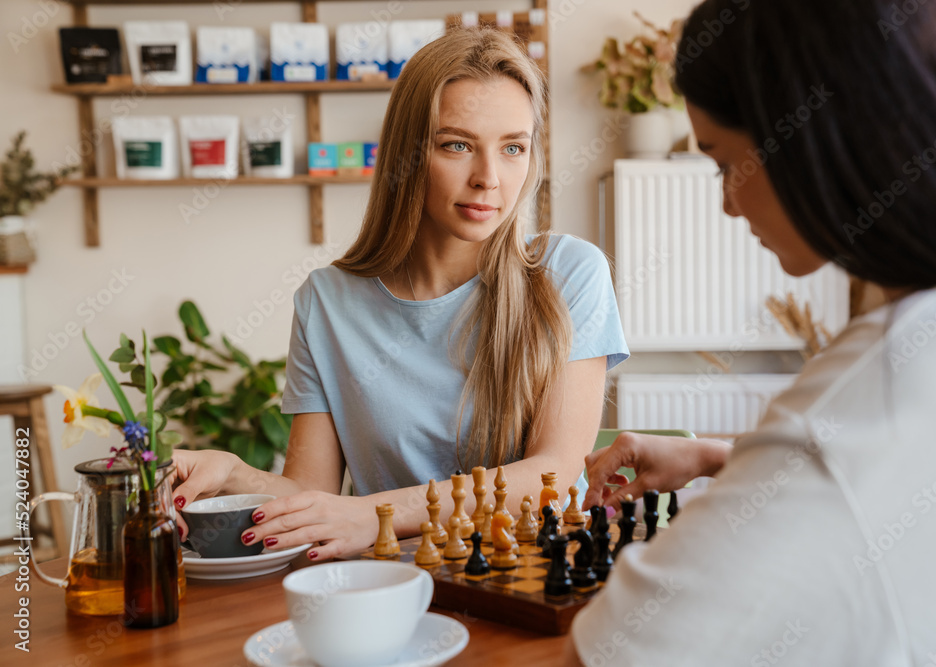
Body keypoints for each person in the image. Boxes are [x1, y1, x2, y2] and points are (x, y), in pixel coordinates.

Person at [567, 0, 936, 664]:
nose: (726, 202)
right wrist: (722, 456)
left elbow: (610, 652)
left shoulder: (891, 371)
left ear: (806, 135)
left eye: (720, 162)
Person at [171, 27, 628, 560]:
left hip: (534, 578)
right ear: (407, 154)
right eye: (457, 145)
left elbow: (550, 472)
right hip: (393, 583)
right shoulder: (326, 302)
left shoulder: (568, 272)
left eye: (512, 148)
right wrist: (233, 472)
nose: (488, 177)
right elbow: (311, 496)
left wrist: (372, 513)